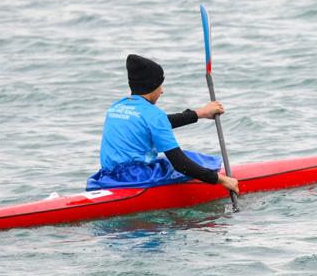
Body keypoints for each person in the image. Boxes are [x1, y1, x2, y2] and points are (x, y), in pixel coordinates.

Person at [87, 54, 241, 193]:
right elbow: (180, 164)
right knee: (193, 159)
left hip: (108, 176)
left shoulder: (116, 107)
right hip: (136, 178)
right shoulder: (154, 115)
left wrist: (199, 113)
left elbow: (155, 124)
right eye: (160, 85)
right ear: (152, 86)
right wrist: (221, 180)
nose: (162, 90)